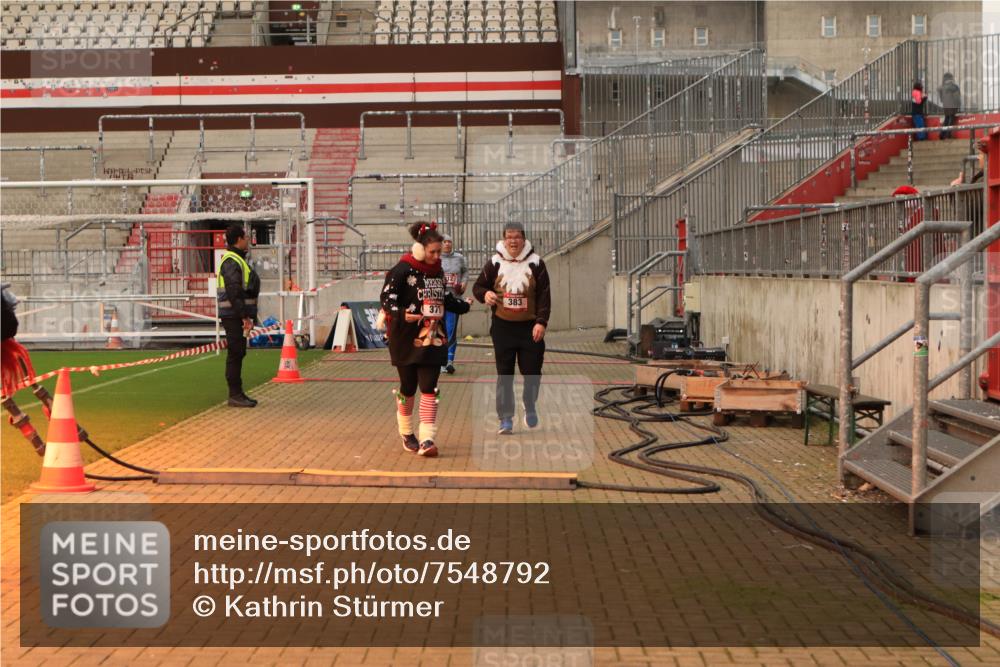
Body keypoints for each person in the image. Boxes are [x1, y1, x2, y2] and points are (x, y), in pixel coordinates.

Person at [380, 221, 471, 457]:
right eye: (433, 252)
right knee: (408, 388)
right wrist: (401, 314)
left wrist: (463, 306)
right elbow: (386, 299)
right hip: (405, 338)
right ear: (420, 248)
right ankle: (407, 433)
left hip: (433, 337)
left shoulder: (438, 271)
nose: (437, 256)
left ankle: (427, 439)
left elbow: (444, 299)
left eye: (440, 252)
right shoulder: (402, 270)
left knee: (429, 387)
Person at [473, 222, 551, 435]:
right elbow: (478, 286)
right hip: (503, 328)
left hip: (530, 328)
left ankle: (530, 404)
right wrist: (485, 294)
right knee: (504, 374)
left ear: (524, 239)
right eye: (509, 237)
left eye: (517, 237)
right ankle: (505, 418)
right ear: (504, 239)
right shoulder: (495, 263)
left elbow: (545, 295)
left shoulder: (537, 263)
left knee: (533, 372)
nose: (513, 241)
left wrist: (541, 322)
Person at [217, 223, 261, 408]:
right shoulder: (232, 261)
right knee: (235, 353)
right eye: (245, 237)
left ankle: (237, 393)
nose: (248, 240)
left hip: (236, 314)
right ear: (238, 239)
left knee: (238, 352)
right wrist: (243, 316)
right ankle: (234, 394)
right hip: (234, 315)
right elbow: (234, 291)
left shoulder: (236, 260)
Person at [439, 233, 468, 374]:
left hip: (454, 300)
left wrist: (463, 284)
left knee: (450, 331)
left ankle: (449, 361)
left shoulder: (459, 258)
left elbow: (465, 272)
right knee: (438, 330)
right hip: (438, 301)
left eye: (449, 241)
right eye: (444, 242)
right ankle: (439, 361)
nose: (447, 244)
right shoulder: (436, 258)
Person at [937, 73, 961, 139]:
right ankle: (948, 135)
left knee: (946, 120)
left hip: (945, 106)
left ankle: (942, 134)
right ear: (951, 78)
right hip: (953, 106)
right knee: (951, 120)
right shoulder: (954, 87)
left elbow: (941, 98)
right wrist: (958, 105)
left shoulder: (942, 87)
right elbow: (957, 98)